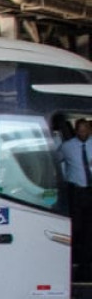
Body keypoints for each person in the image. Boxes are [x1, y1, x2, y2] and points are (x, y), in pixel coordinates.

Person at [60, 117, 91, 281]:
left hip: (90, 189)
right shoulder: (67, 147)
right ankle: (76, 260)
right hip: (77, 191)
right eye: (80, 129)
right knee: (77, 226)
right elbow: (57, 162)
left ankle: (87, 263)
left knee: (89, 228)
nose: (83, 132)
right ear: (76, 130)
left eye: (85, 129)